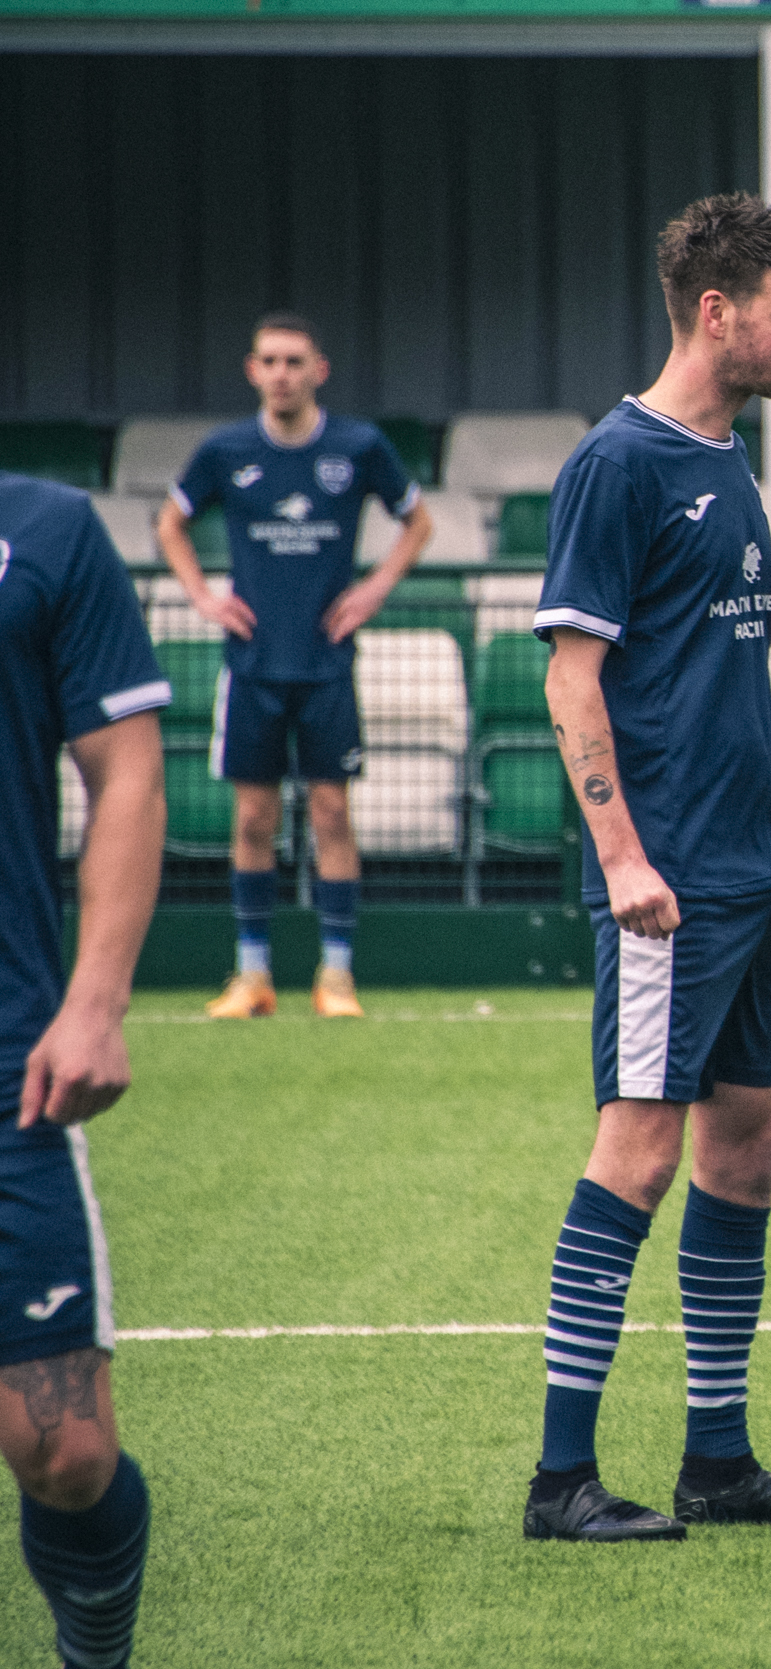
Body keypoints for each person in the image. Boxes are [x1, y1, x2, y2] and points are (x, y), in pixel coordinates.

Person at [522, 192, 771, 1543]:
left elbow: (702, 649)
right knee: (639, 1147)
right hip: (669, 880)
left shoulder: (729, 460)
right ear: (716, 311)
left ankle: (716, 1462)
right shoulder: (615, 464)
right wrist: (621, 858)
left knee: (747, 1148)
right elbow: (575, 683)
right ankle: (562, 1479)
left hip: (753, 869)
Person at [0, 471, 170, 1667]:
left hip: (10, 1047)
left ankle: (93, 1652)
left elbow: (128, 772)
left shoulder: (48, 529)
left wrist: (96, 1001)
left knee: (66, 1453)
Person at [159, 314, 435, 1021]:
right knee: (253, 815)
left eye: (295, 361)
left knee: (331, 810)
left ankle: (335, 978)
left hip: (326, 663)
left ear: (320, 369)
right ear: (253, 370)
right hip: (252, 663)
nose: (282, 373)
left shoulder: (359, 446)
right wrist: (200, 594)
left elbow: (418, 521)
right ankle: (252, 977)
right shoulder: (225, 450)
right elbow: (171, 521)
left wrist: (373, 589)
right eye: (270, 361)